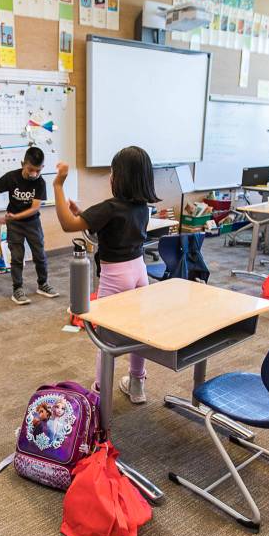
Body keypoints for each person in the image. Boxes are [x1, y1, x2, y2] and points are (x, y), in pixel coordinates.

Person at [51, 146, 157, 404]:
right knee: (137, 332)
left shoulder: (110, 207)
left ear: (119, 178)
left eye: (112, 171)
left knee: (105, 339)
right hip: (139, 273)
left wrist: (58, 186)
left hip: (115, 276)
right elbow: (106, 233)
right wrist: (82, 215)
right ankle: (136, 383)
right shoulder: (143, 208)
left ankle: (99, 392)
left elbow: (67, 225)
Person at [0, 146, 59, 305]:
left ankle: (43, 284)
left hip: (32, 223)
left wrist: (14, 216)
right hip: (15, 226)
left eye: (38, 170)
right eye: (30, 169)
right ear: (23, 164)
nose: (34, 174)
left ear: (42, 168)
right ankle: (17, 289)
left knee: (40, 255)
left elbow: (34, 208)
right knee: (17, 257)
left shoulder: (40, 183)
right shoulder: (12, 178)